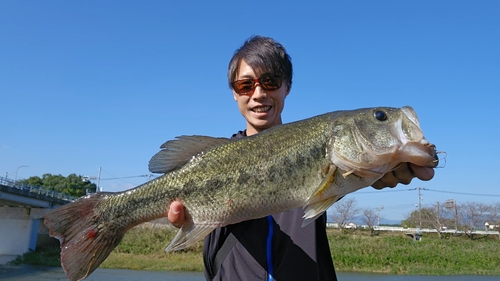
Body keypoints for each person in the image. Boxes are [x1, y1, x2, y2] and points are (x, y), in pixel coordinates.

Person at [167, 36, 435, 280]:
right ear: (235, 93)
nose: (259, 93)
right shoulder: (211, 159)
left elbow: (357, 173)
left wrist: (386, 170)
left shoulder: (334, 159)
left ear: (287, 87)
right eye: (246, 85)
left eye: (270, 81)